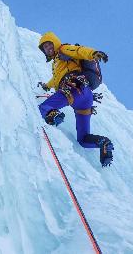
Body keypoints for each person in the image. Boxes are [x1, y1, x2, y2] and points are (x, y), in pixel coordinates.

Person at [37, 32, 114, 167]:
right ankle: (104, 143)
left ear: (55, 42)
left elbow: (79, 51)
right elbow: (55, 81)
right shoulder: (57, 63)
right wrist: (46, 86)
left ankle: (55, 116)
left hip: (74, 89)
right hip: (85, 99)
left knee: (43, 108)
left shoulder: (63, 49)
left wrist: (93, 53)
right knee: (83, 139)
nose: (48, 48)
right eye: (45, 47)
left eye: (49, 44)